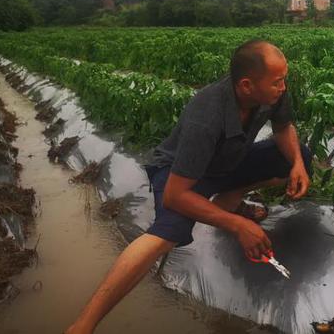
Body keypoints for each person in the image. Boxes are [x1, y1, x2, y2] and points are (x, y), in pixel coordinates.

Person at [66, 40, 312, 334]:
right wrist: (236, 226)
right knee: (166, 234)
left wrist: (296, 162)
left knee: (299, 157)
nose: (283, 87)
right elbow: (175, 194)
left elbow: (283, 127)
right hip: (180, 174)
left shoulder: (271, 94)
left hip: (228, 160)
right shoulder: (207, 115)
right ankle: (83, 325)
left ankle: (230, 198)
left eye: (283, 79)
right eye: (278, 81)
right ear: (247, 86)